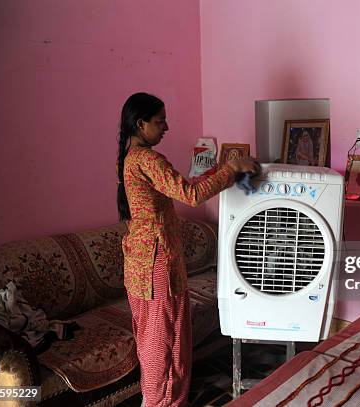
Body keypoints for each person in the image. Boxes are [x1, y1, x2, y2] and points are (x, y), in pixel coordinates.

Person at [116, 92, 259, 406]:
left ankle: (154, 399)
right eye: (160, 120)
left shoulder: (131, 158)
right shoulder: (148, 159)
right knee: (164, 342)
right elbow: (191, 195)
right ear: (141, 124)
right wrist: (232, 167)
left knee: (152, 339)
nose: (166, 127)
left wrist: (225, 170)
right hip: (156, 265)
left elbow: (184, 186)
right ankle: (160, 402)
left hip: (141, 263)